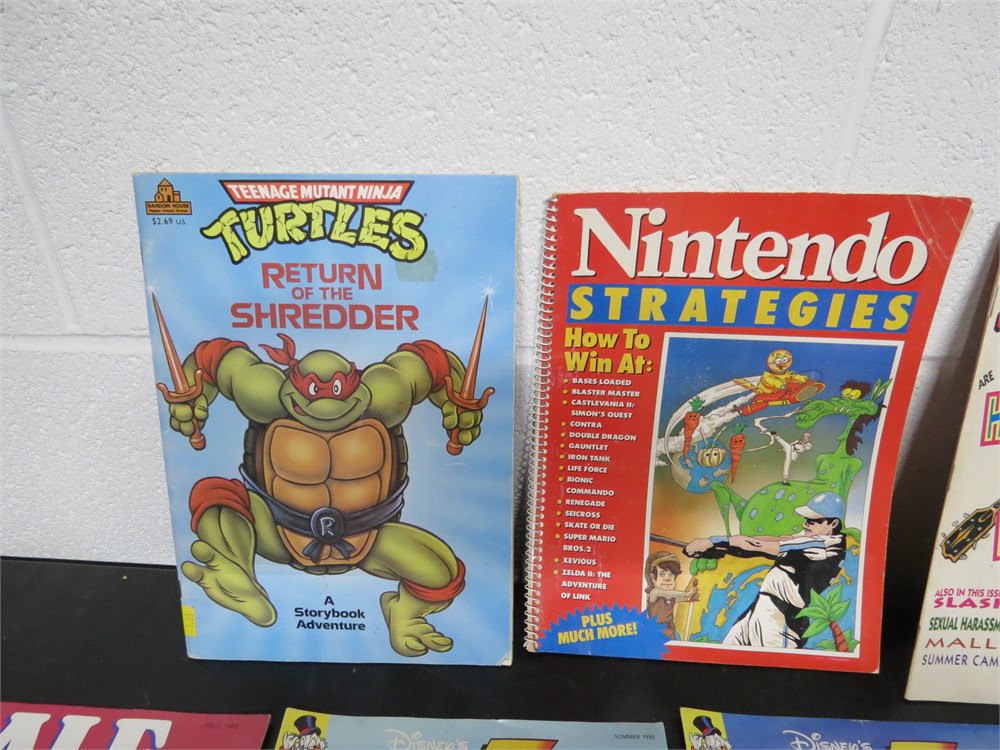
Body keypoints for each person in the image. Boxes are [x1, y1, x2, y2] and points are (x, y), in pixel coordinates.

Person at [684, 492, 847, 649]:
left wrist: (712, 542)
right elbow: (776, 540)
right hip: (761, 608)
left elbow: (759, 546)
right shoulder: (813, 538)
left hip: (782, 619)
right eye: (806, 519)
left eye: (812, 521)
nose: (805, 524)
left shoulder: (822, 544)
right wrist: (718, 547)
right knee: (726, 655)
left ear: (833, 524)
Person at [643, 550, 699, 638]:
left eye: (671, 574)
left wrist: (690, 597)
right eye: (662, 574)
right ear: (653, 577)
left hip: (670, 629)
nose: (667, 578)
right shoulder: (655, 592)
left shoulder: (670, 597)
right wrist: (686, 593)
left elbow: (676, 599)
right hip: (656, 630)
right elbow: (666, 593)